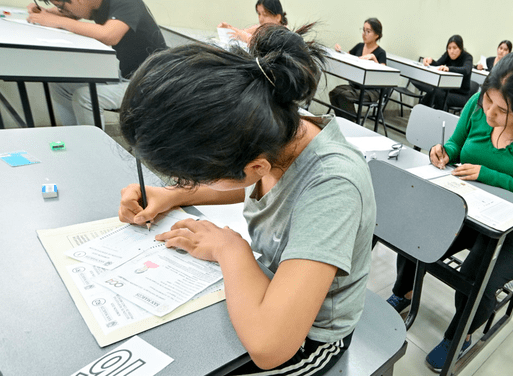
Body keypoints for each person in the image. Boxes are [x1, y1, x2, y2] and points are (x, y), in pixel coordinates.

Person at [117, 24, 375, 375]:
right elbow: (247, 183)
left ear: (255, 165)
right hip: (268, 286)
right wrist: (172, 194)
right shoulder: (269, 131)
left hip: (310, 339)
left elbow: (271, 347)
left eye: (192, 178)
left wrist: (230, 248)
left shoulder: (333, 185)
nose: (189, 183)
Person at [386, 50, 513, 373]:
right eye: (488, 100)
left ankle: (461, 332)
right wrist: (443, 152)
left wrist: (492, 176)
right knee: (415, 232)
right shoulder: (478, 105)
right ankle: (403, 291)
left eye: (502, 110)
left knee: (478, 276)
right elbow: (457, 146)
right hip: (472, 210)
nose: (489, 112)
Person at [26, 0, 166, 128]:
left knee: (86, 98)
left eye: (62, 7)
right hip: (128, 77)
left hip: (154, 84)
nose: (63, 12)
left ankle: (92, 150)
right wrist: (46, 13)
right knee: (60, 84)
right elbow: (75, 14)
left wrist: (57, 20)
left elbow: (109, 35)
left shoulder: (127, 2)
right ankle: (74, 137)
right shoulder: (98, 5)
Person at [328, 18, 386, 122]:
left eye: (368, 31)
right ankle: (342, 122)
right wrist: (339, 51)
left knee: (344, 95)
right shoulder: (359, 46)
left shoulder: (381, 53)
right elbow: (347, 57)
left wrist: (374, 59)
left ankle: (352, 123)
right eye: (363, 30)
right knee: (334, 93)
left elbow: (383, 77)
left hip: (371, 91)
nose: (364, 34)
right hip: (357, 87)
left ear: (377, 35)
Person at [416, 35, 473, 111]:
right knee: (433, 92)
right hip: (447, 91)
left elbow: (466, 70)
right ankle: (420, 112)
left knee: (439, 95)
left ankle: (438, 119)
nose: (451, 51)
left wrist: (448, 68)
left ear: (460, 48)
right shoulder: (448, 55)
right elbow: (437, 64)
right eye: (449, 48)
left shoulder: (467, 57)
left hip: (461, 95)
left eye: (455, 48)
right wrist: (430, 61)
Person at [218, 0, 287, 44]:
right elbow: (242, 32)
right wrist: (228, 28)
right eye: (259, 14)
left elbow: (267, 46)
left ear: (278, 17)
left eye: (265, 15)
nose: (261, 19)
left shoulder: (285, 35)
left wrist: (247, 38)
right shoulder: (261, 28)